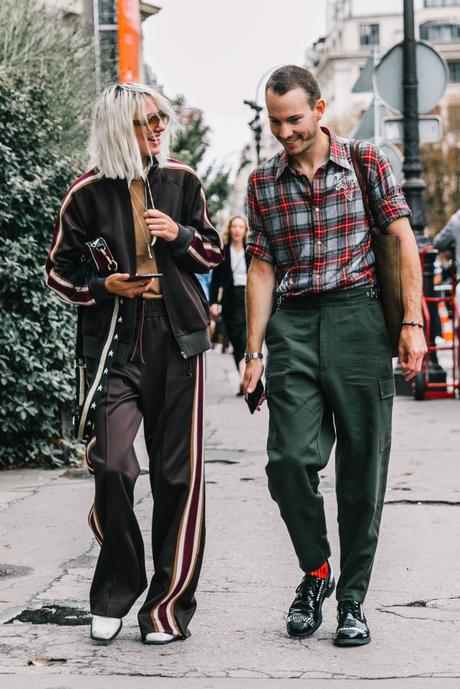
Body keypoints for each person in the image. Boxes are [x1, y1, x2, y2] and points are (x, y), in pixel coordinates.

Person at [243, 65, 426, 647]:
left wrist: (412, 322)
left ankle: (352, 600)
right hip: (292, 326)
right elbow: (262, 266)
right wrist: (251, 351)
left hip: (359, 318)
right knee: (288, 461)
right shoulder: (262, 182)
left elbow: (400, 239)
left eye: (294, 119)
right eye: (275, 121)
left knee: (361, 470)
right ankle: (315, 570)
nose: (285, 131)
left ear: (320, 110)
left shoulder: (367, 162)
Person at [45, 83, 224, 645]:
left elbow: (214, 251)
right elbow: (58, 272)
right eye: (146, 121)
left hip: (177, 341)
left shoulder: (182, 180)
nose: (157, 129)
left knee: (178, 478)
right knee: (114, 465)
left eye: (160, 120)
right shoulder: (86, 194)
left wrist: (181, 235)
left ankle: (166, 609)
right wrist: (104, 286)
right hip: (114, 347)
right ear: (118, 127)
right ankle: (118, 585)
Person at [209, 215, 251, 394]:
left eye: (241, 226)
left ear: (245, 230)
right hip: (230, 300)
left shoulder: (250, 251)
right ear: (230, 229)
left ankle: (245, 381)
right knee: (235, 339)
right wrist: (213, 302)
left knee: (244, 340)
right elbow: (215, 281)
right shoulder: (223, 252)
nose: (237, 230)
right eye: (234, 226)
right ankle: (244, 378)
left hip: (248, 298)